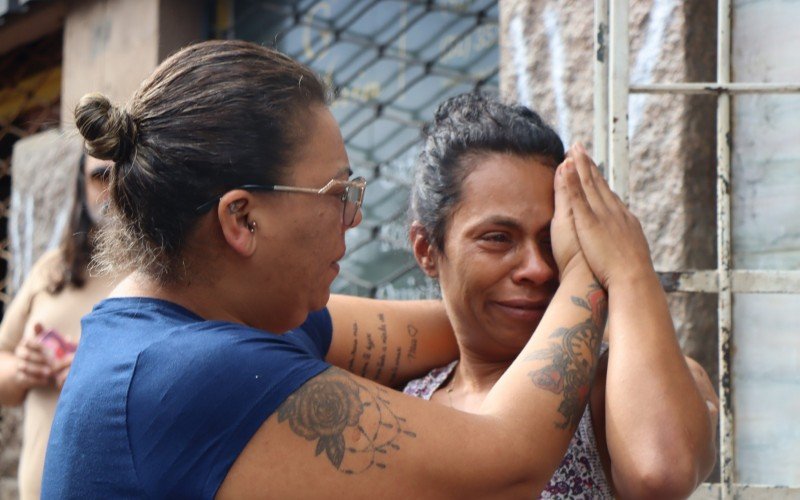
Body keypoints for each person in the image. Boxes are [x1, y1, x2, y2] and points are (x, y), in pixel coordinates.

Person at [44, 40, 642, 498]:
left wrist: (631, 351)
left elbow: (452, 329)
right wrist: (594, 261)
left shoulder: (171, 327)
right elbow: (507, 463)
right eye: (337, 192)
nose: (351, 219)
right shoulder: (195, 374)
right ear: (242, 220)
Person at [404, 93, 719, 499]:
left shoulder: (614, 389)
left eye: (552, 240)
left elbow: (659, 472)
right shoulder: (403, 402)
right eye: (498, 239)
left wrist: (628, 268)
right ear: (427, 250)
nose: (537, 268)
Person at [0, 152, 119, 500]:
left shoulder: (165, 274)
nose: (114, 189)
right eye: (100, 177)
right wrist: (22, 369)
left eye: (124, 174)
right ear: (81, 186)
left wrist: (99, 376)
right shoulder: (54, 267)